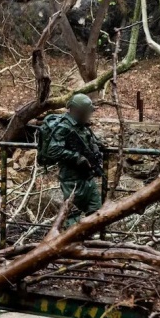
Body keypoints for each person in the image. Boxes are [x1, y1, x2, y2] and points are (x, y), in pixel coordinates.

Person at [44, 93, 104, 226]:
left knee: (96, 212)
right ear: (78, 111)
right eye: (86, 112)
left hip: (87, 177)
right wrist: (77, 158)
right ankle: (69, 243)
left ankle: (89, 241)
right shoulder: (64, 127)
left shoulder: (82, 126)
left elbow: (89, 141)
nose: (89, 115)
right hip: (72, 180)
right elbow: (53, 150)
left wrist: (96, 146)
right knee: (72, 216)